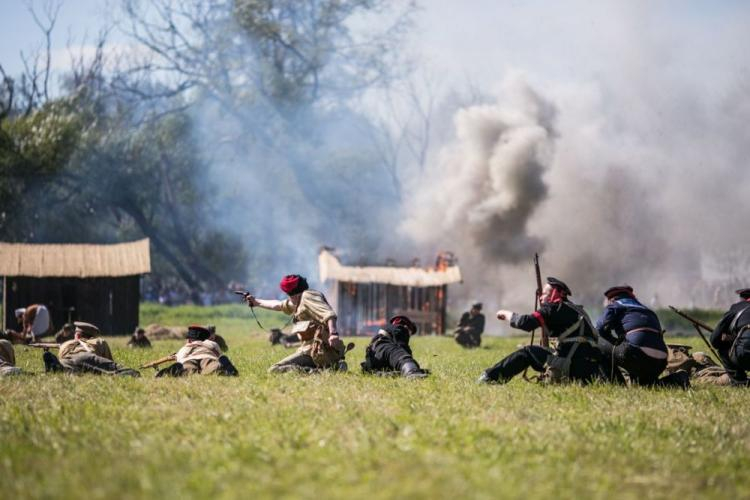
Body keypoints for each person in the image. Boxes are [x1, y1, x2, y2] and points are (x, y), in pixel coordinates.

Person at [478, 277, 604, 384]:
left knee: (527, 352)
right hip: (591, 370)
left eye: (544, 293)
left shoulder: (553, 308)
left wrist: (507, 314)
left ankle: (490, 378)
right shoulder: (577, 310)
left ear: (554, 293)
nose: (541, 297)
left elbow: (525, 323)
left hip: (572, 368)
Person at [244, 274, 348, 373]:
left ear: (291, 293)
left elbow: (329, 313)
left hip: (318, 351)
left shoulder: (308, 296)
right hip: (315, 352)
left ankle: (323, 371)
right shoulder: (299, 300)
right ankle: (333, 367)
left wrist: (333, 334)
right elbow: (278, 305)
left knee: (274, 369)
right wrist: (256, 302)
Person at [595, 285, 688, 388]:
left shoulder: (615, 305)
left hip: (636, 354)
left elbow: (599, 327)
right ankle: (678, 379)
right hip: (660, 361)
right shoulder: (647, 310)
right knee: (645, 386)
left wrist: (613, 340)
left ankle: (618, 386)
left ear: (611, 299)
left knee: (598, 342)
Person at [42, 322, 140, 377]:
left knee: (68, 369)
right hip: (86, 356)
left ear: (78, 335)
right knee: (115, 369)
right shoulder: (98, 341)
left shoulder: (66, 343)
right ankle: (131, 373)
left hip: (66, 359)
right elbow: (108, 360)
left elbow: (61, 355)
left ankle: (58, 367)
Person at [155, 325, 238, 377]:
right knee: (212, 367)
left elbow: (180, 359)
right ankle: (220, 367)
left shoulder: (184, 348)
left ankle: (176, 372)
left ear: (189, 340)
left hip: (188, 359)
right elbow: (218, 355)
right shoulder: (211, 343)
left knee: (188, 369)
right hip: (207, 356)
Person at [361, 315, 428, 378]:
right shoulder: (400, 328)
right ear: (407, 326)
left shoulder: (387, 330)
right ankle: (412, 372)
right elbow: (402, 348)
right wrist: (412, 363)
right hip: (385, 349)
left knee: (394, 363)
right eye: (411, 332)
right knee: (399, 354)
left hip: (374, 359)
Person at [710, 287, 750, 382]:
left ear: (742, 299)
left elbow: (714, 340)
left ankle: (739, 381)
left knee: (723, 347)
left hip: (746, 356)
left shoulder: (737, 308)